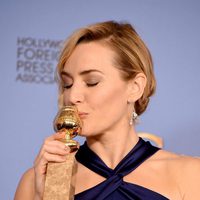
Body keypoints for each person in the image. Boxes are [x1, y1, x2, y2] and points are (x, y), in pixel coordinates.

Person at [14, 21, 200, 200]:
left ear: (135, 87)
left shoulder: (190, 175)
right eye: (67, 84)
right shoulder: (36, 181)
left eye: (92, 82)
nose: (72, 97)